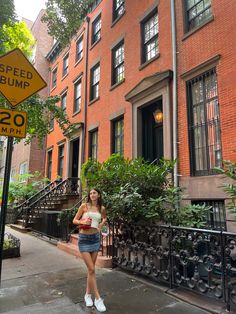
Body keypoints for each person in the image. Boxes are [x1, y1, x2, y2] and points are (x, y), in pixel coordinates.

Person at [73, 188, 107, 312]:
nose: (92, 195)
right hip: (84, 239)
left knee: (90, 270)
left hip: (95, 239)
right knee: (92, 269)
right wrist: (82, 220)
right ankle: (98, 298)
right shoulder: (84, 206)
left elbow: (104, 218)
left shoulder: (101, 208)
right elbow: (74, 220)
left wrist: (100, 226)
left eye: (95, 193)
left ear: (98, 195)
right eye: (91, 193)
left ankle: (87, 295)